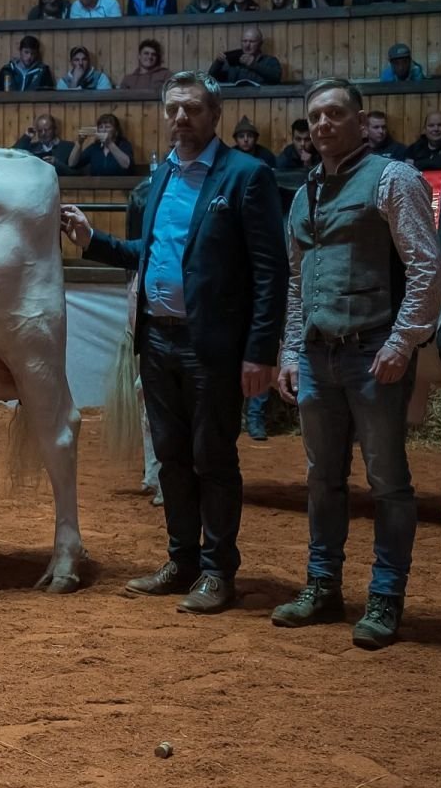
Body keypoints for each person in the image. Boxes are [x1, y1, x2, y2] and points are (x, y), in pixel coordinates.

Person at [62, 71, 286, 616]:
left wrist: (260, 352)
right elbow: (147, 252)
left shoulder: (247, 175)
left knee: (213, 458)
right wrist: (93, 241)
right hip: (158, 340)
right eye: (172, 109)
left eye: (192, 109)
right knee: (170, 458)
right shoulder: (161, 175)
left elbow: (270, 272)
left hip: (213, 346)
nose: (180, 118)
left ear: (215, 115)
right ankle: (182, 561)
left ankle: (217, 571)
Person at [272, 78, 441, 650]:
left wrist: (402, 342)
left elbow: (426, 265)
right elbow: (297, 281)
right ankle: (323, 586)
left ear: (361, 119)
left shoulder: (393, 178)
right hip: (318, 354)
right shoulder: (303, 193)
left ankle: (386, 596)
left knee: (387, 481)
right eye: (314, 117)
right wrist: (291, 350)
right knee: (322, 478)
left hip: (374, 353)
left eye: (335, 114)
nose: (323, 124)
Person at [209, 27, 283, 87]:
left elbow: (276, 78)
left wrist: (254, 65)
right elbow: (211, 78)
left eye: (252, 42)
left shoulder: (269, 61)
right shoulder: (233, 60)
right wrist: (218, 63)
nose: (247, 45)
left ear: (260, 43)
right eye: (244, 41)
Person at [70, 114, 134, 176]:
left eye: (107, 127)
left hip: (121, 183)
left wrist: (109, 143)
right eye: (101, 127)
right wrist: (79, 142)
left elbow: (126, 165)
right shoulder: (94, 147)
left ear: (116, 131)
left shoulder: (124, 145)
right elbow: (72, 164)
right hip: (96, 183)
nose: (103, 130)